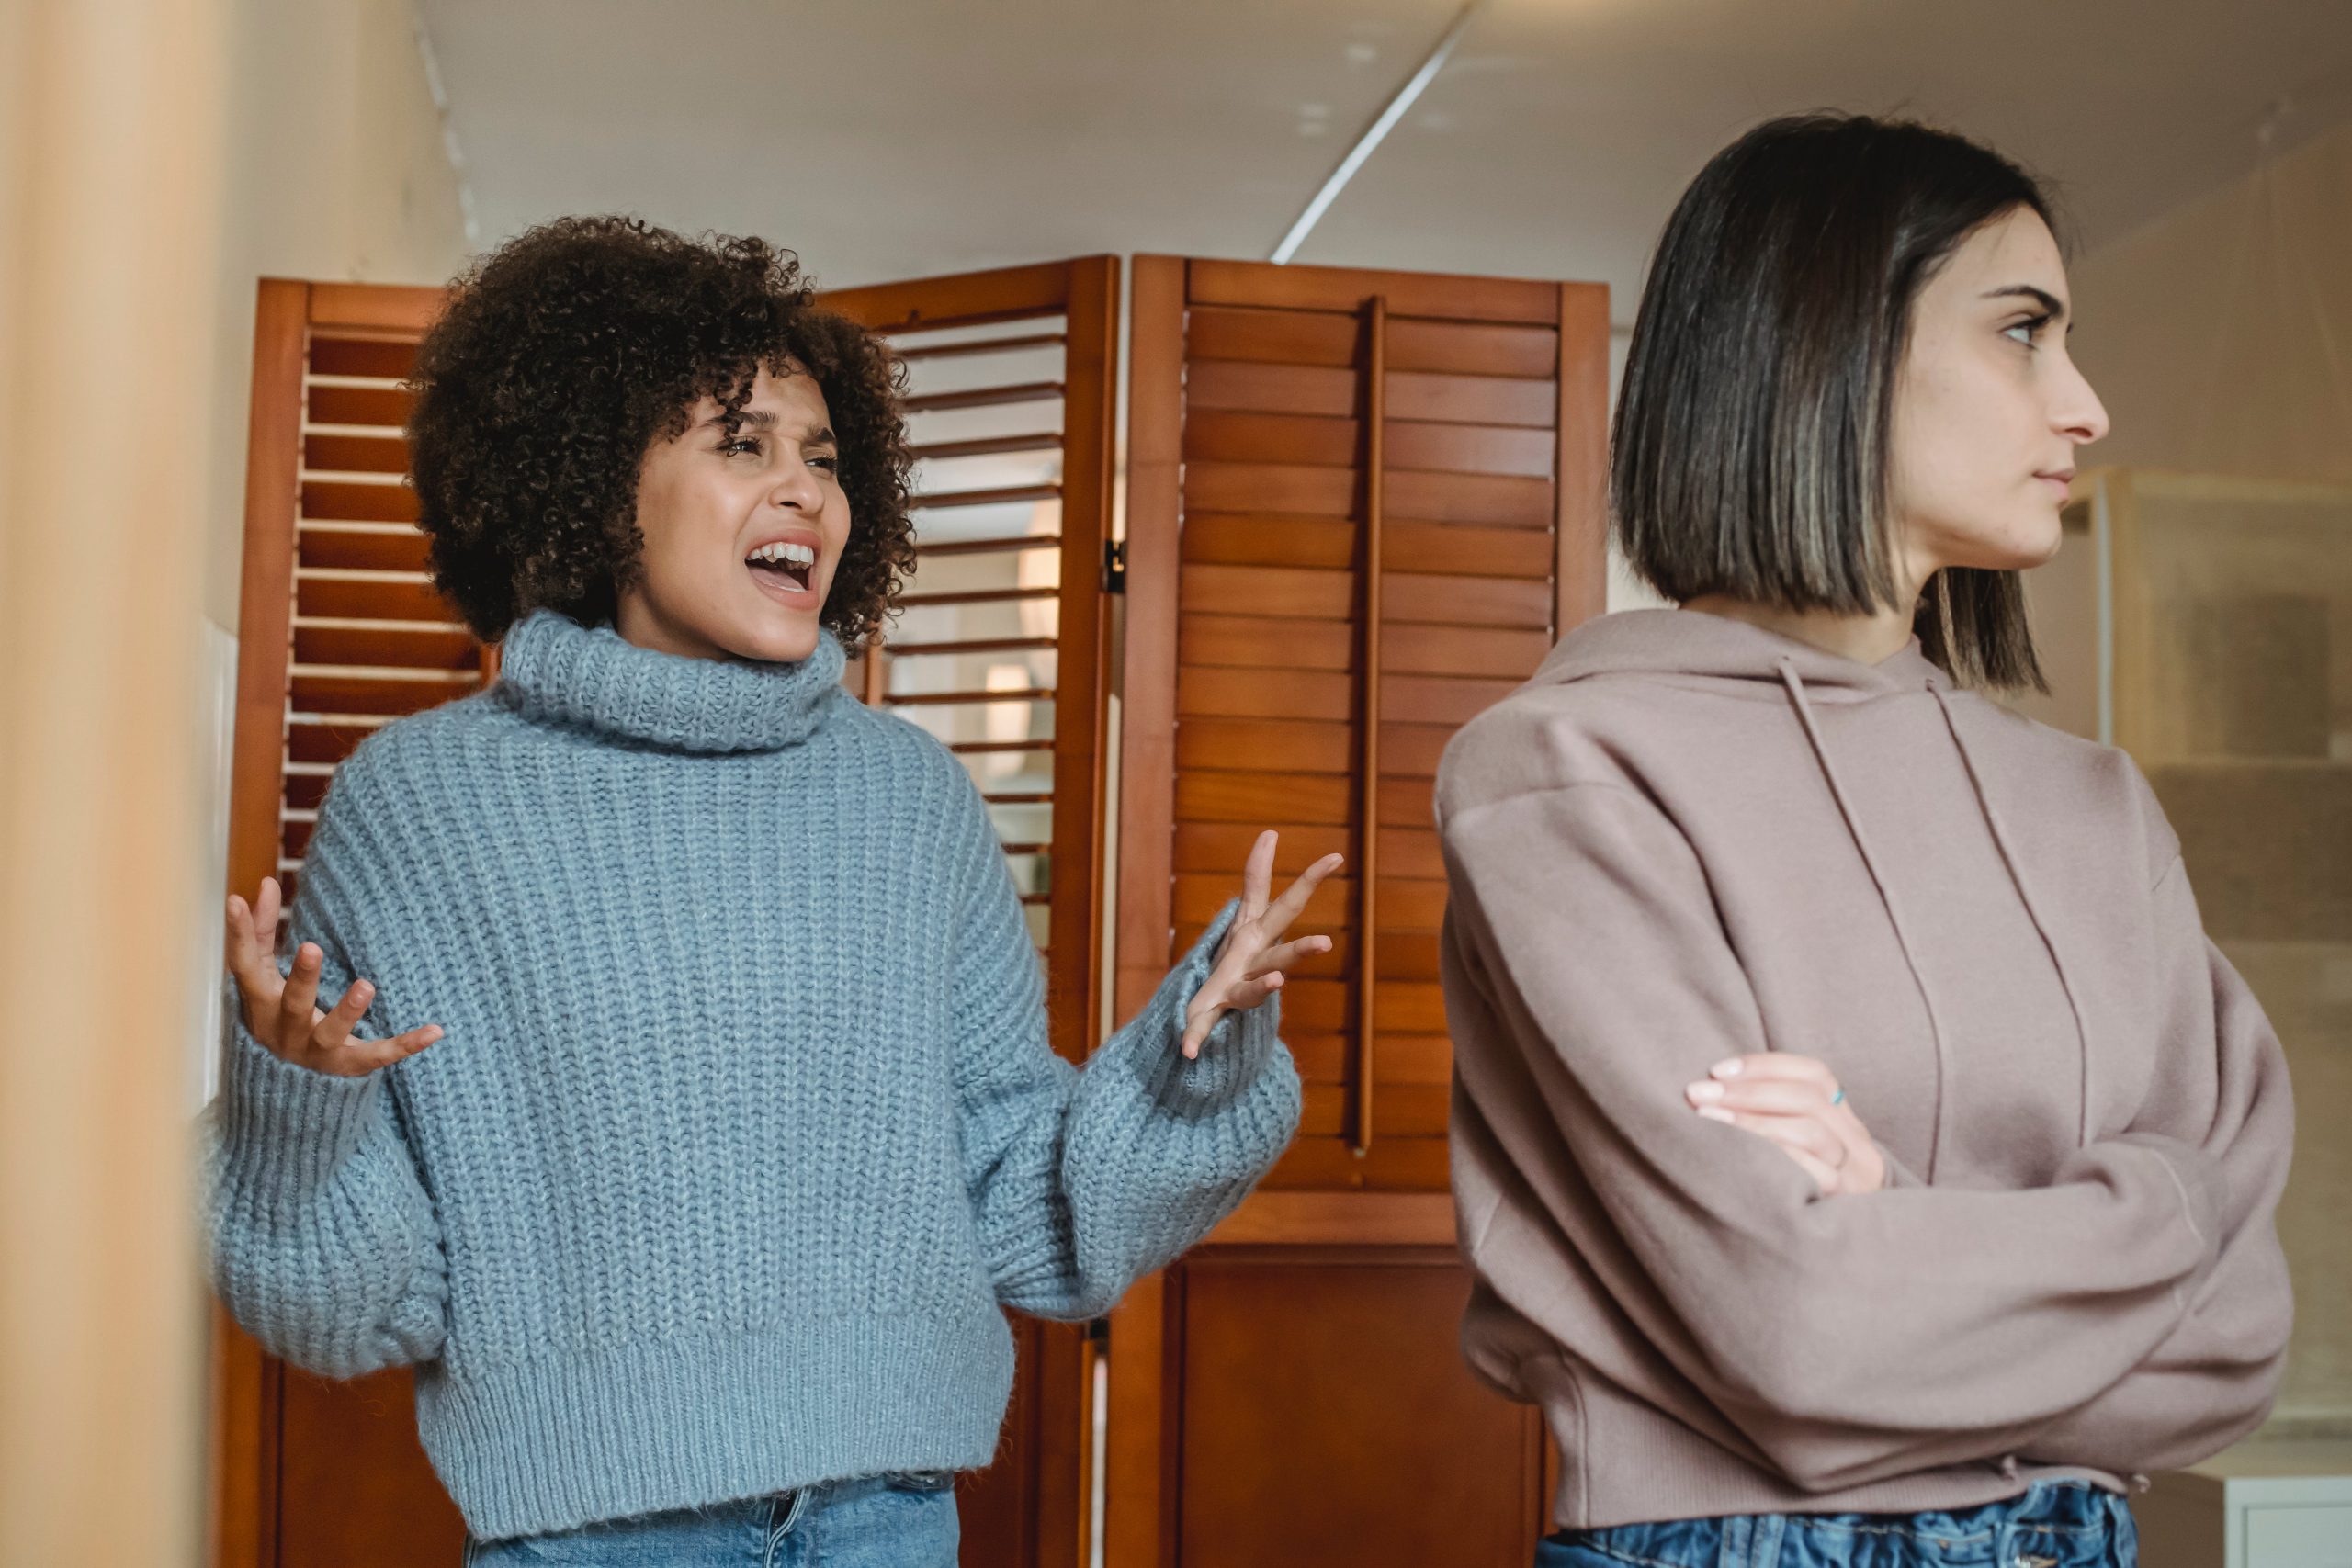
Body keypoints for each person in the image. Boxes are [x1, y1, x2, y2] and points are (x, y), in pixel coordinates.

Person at [204, 216, 1338, 1565]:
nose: (805, 490)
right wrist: (295, 1104)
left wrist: (1185, 1070)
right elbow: (354, 1305)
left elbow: (1019, 1210)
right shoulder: (422, 810)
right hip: (590, 1537)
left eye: (825, 456)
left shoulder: (910, 802)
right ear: (589, 480)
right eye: (742, 443)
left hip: (890, 1522)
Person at [1437, 114, 2293, 1568]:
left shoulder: (2096, 807)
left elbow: (2239, 1341)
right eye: (2024, 331)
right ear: (1821, 346)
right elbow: (1794, 1331)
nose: (2085, 406)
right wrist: (2150, 1228)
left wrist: (1894, 1211)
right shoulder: (1569, 769)